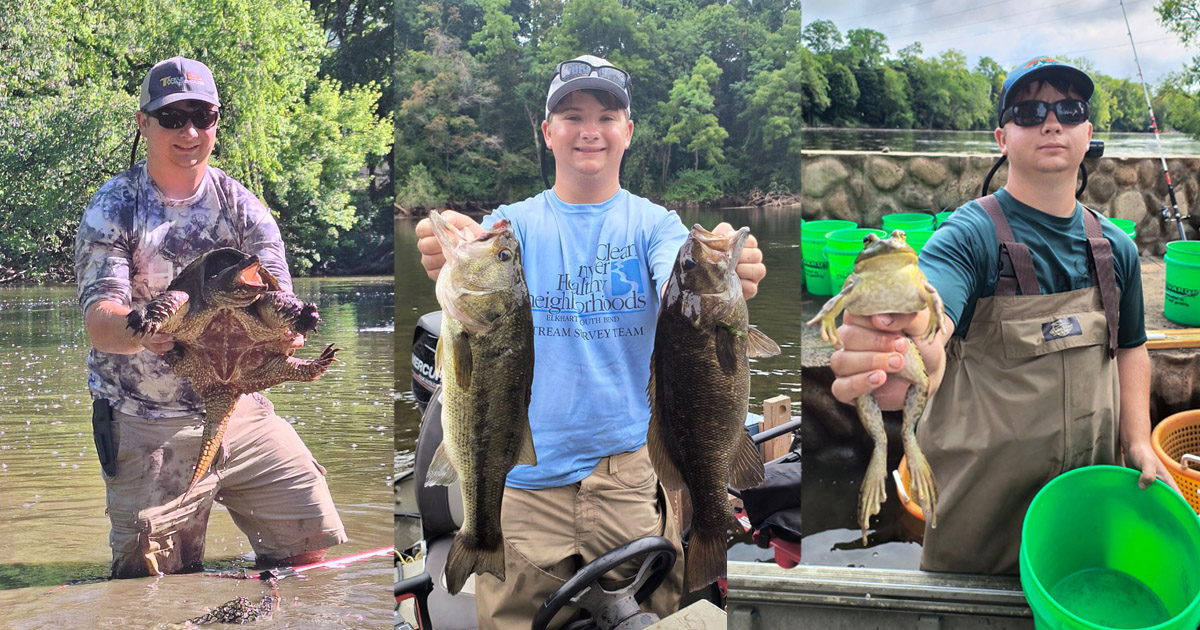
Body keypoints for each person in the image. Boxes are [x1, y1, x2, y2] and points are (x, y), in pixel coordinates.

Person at [415, 54, 767, 627]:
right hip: (522, 491)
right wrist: (445, 246)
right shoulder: (513, 226)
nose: (589, 131)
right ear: (547, 131)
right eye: (572, 115)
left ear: (628, 131)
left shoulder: (656, 227)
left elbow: (678, 273)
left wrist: (728, 270)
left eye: (607, 115)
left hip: (627, 480)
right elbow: (476, 253)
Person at [827, 56, 1179, 575]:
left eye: (1069, 108)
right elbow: (931, 313)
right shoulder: (969, 237)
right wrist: (904, 348)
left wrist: (1137, 443)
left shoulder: (1118, 250)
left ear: (1087, 134)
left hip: (1082, 518)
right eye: (1030, 110)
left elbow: (1131, 348)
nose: (1051, 121)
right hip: (979, 530)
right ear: (1002, 137)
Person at [74, 56, 347, 578]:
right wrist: (143, 331)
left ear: (217, 120)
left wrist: (288, 329)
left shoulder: (243, 208)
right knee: (149, 583)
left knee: (307, 548)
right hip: (144, 417)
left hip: (241, 406)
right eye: (173, 117)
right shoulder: (114, 208)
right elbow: (100, 320)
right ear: (143, 122)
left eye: (203, 115)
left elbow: (277, 299)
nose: (190, 131)